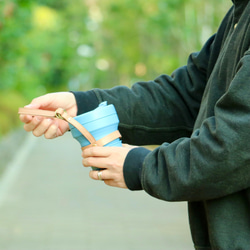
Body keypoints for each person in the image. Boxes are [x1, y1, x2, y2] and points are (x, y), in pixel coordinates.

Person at [19, 0, 250, 249]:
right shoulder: (239, 14)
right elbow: (183, 97)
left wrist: (142, 166)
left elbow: (233, 145)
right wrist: (83, 105)